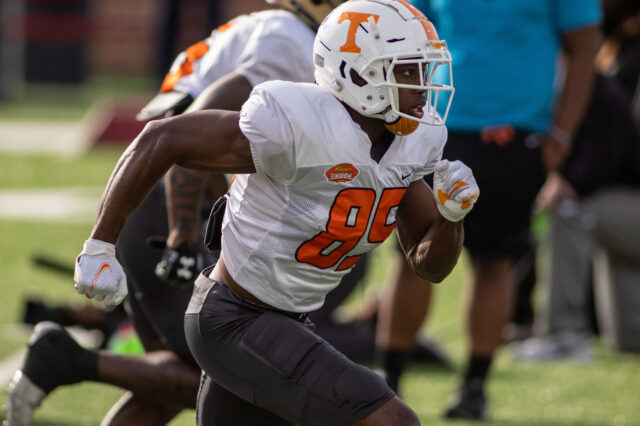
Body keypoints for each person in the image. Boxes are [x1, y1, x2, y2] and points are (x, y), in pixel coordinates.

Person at [71, 0, 480, 423]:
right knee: (393, 421)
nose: (423, 87)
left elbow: (428, 266)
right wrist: (100, 245)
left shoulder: (412, 141)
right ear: (360, 73)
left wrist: (452, 217)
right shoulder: (297, 122)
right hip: (233, 317)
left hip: (288, 319)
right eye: (407, 70)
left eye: (423, 70)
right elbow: (162, 138)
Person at [5, 1, 345, 425]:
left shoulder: (274, 28)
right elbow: (190, 128)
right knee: (232, 374)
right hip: (170, 208)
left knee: (169, 384)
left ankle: (68, 358)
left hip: (161, 201)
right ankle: (66, 359)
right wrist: (183, 231)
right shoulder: (290, 38)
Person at [375, 0, 601, 420]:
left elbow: (585, 46)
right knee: (410, 257)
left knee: (494, 261)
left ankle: (475, 385)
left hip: (516, 135)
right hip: (435, 127)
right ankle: (389, 383)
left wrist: (562, 137)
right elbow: (403, 33)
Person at [513, 0, 640, 361]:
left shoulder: (601, 94)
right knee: (630, 340)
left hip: (629, 204)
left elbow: (602, 166)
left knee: (569, 211)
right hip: (623, 212)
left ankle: (565, 335)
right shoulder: (554, 95)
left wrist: (565, 185)